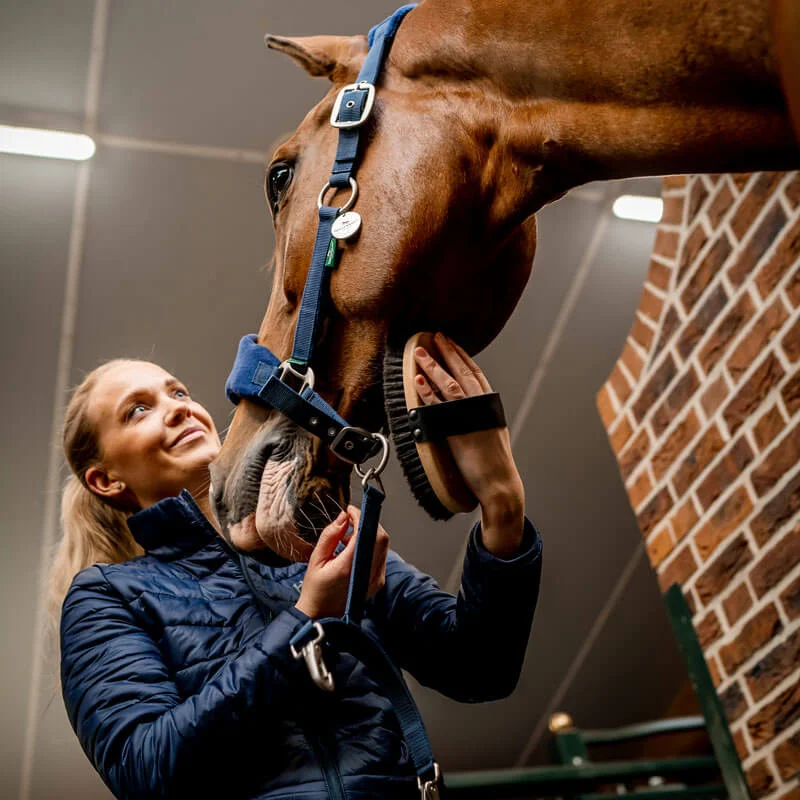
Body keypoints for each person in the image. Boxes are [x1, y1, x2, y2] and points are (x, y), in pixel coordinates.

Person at [53, 334, 543, 800]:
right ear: (105, 479)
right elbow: (146, 772)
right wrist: (306, 618)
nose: (178, 406)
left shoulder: (315, 542)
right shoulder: (106, 596)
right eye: (139, 410)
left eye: (177, 391)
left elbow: (481, 668)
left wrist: (501, 501)